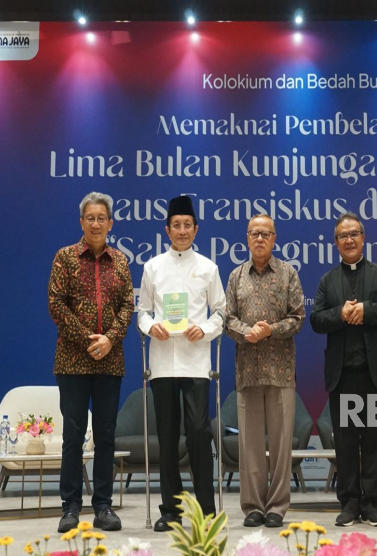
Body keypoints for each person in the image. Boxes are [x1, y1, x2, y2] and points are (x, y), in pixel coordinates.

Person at [136, 195, 226, 532]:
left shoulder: (208, 268)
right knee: (168, 437)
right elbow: (143, 312)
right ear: (167, 229)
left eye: (188, 225)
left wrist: (203, 329)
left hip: (196, 364)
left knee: (200, 434)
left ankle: (205, 509)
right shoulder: (152, 267)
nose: (182, 230)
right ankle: (171, 511)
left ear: (196, 229)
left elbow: (220, 312)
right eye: (177, 225)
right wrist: (150, 326)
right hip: (161, 364)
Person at [310, 212, 377, 528]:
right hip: (343, 377)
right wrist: (341, 313)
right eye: (342, 236)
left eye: (354, 234)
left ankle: (371, 504)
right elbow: (316, 321)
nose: (348, 240)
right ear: (335, 243)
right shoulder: (327, 280)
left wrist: (366, 311)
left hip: (373, 375)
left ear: (363, 238)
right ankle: (349, 503)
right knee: (347, 443)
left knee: (374, 442)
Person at [49, 191, 134, 533]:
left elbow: (128, 305)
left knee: (106, 436)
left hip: (109, 362)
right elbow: (56, 304)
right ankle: (70, 506)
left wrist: (110, 338)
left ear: (110, 223)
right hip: (72, 361)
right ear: (81, 222)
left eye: (102, 218)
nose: (96, 223)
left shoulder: (121, 262)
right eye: (90, 218)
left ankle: (103, 506)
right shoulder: (65, 258)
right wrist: (89, 340)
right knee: (73, 436)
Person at [225, 214, 305, 528]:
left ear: (274, 238)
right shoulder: (235, 276)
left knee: (282, 443)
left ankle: (277, 507)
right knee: (251, 445)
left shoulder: (288, 274)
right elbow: (227, 318)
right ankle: (253, 506)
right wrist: (248, 332)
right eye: (254, 233)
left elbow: (297, 318)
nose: (260, 238)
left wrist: (269, 330)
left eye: (266, 233)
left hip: (280, 371)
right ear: (247, 237)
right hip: (247, 371)